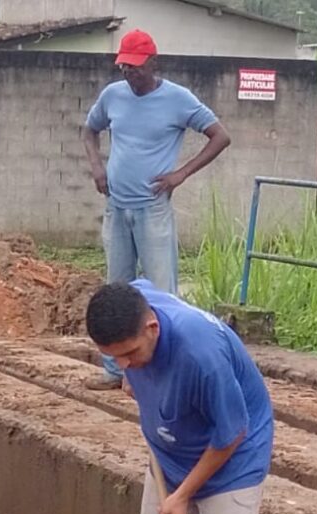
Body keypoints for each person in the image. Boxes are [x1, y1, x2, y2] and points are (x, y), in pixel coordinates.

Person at [82, 29, 230, 390]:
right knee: (116, 288)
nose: (129, 75)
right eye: (124, 68)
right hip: (117, 207)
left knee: (161, 293)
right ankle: (117, 371)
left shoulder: (178, 100)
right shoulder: (112, 95)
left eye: (135, 68)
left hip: (152, 209)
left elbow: (220, 136)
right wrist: (98, 168)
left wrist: (180, 174)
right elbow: (89, 131)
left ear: (152, 63)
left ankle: (160, 373)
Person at [86, 280, 273, 514]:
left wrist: (182, 496)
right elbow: (139, 284)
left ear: (152, 328)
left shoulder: (202, 357)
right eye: (113, 357)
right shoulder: (131, 303)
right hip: (170, 457)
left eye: (130, 353)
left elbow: (232, 433)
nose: (122, 365)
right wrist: (132, 375)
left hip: (231, 466)